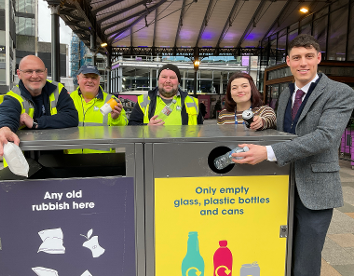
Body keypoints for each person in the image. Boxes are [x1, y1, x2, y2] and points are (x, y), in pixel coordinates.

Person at [233, 34, 354, 276]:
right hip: (281, 185)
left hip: (315, 189)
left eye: (309, 56)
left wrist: (267, 152)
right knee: (280, 251)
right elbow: (289, 131)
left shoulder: (340, 92)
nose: (303, 63)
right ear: (288, 61)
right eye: (297, 57)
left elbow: (325, 137)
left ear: (319, 58)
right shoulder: (287, 93)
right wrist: (263, 126)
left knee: (305, 261)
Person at [0, 55, 78, 156]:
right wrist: (4, 128)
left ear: (46, 72)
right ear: (19, 74)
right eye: (29, 71)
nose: (35, 76)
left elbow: (71, 117)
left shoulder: (57, 90)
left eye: (39, 71)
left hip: (57, 160)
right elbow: (5, 113)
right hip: (24, 163)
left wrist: (36, 123)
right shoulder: (14, 96)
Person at [66, 65, 128, 154]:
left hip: (102, 161)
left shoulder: (111, 101)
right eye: (86, 77)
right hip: (72, 159)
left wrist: (116, 119)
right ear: (78, 79)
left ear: (99, 80)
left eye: (94, 78)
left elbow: (124, 131)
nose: (90, 81)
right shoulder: (68, 99)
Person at [128, 64, 203, 125]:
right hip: (153, 144)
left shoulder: (192, 102)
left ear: (179, 82)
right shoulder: (143, 101)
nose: (168, 81)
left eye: (172, 77)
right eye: (164, 77)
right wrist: (147, 127)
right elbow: (132, 126)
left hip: (183, 144)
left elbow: (200, 131)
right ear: (158, 80)